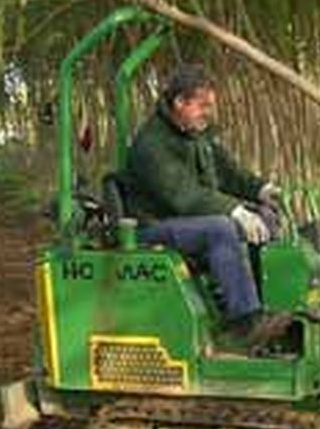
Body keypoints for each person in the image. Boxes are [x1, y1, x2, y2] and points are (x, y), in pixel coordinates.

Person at [120, 64, 290, 350]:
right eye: (202, 106)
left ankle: (267, 309)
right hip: (154, 226)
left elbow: (228, 172)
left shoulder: (197, 135)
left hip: (185, 223)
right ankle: (245, 322)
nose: (208, 113)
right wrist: (234, 210)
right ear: (180, 102)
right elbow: (184, 195)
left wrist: (261, 190)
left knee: (264, 217)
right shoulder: (151, 145)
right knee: (220, 229)